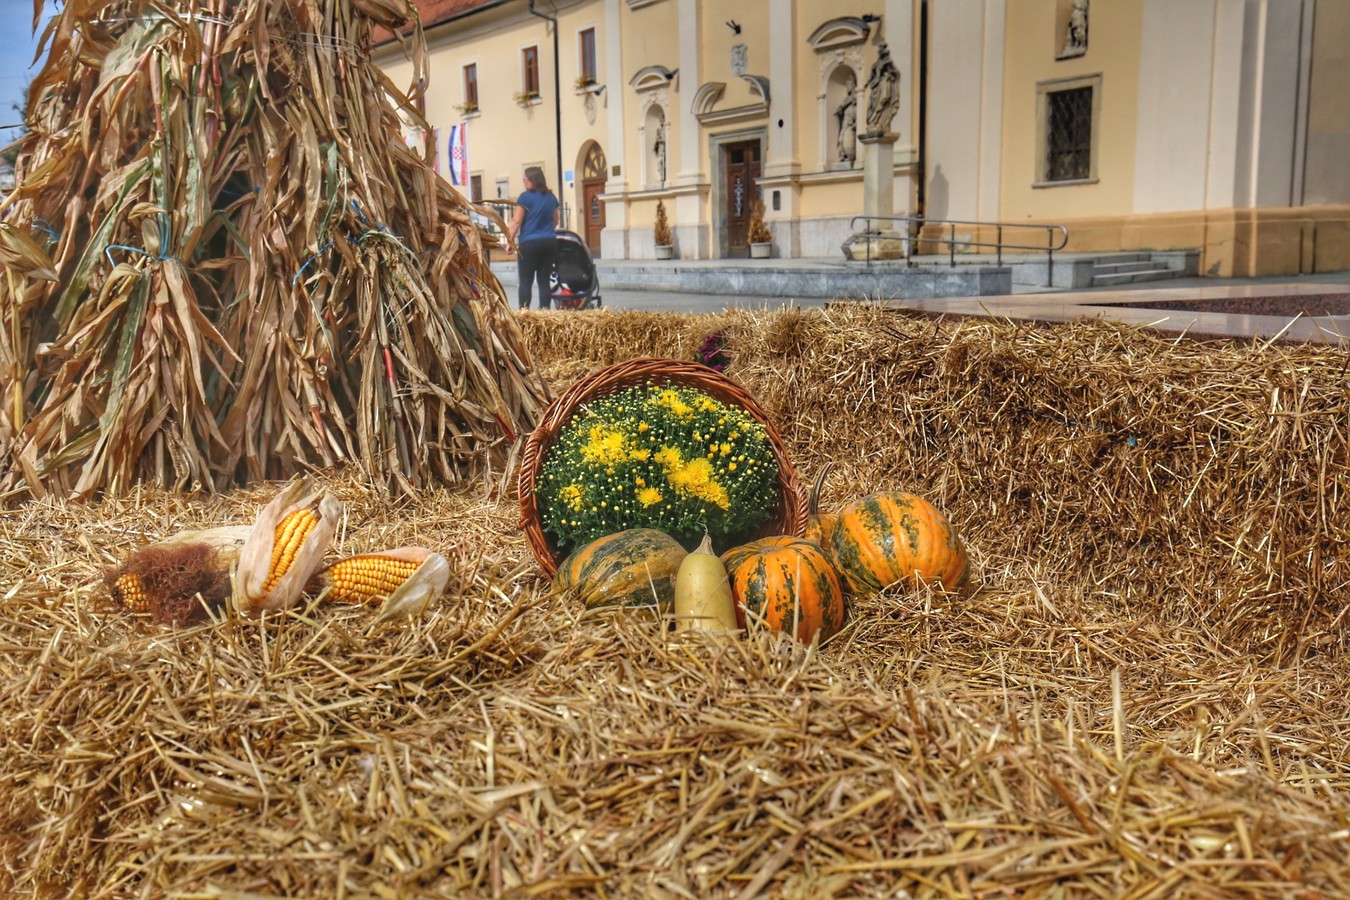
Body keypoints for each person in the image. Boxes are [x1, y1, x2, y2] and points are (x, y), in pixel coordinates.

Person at [508, 166, 560, 310]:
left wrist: (509, 240)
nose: (524, 181)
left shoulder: (525, 197)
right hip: (549, 242)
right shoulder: (551, 197)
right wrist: (545, 230)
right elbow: (556, 220)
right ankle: (545, 311)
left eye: (526, 179)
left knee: (526, 281)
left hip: (529, 243)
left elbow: (516, 221)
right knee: (544, 281)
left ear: (534, 180)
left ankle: (524, 312)